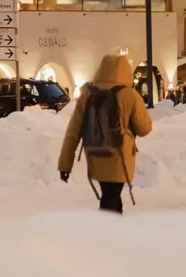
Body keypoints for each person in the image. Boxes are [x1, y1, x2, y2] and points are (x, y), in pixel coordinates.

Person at [59, 53, 154, 213]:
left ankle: (113, 233)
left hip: (95, 153)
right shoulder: (130, 95)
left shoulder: (87, 95)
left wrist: (65, 165)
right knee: (110, 200)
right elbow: (144, 129)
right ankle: (105, 233)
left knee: (111, 197)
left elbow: (73, 131)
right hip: (119, 157)